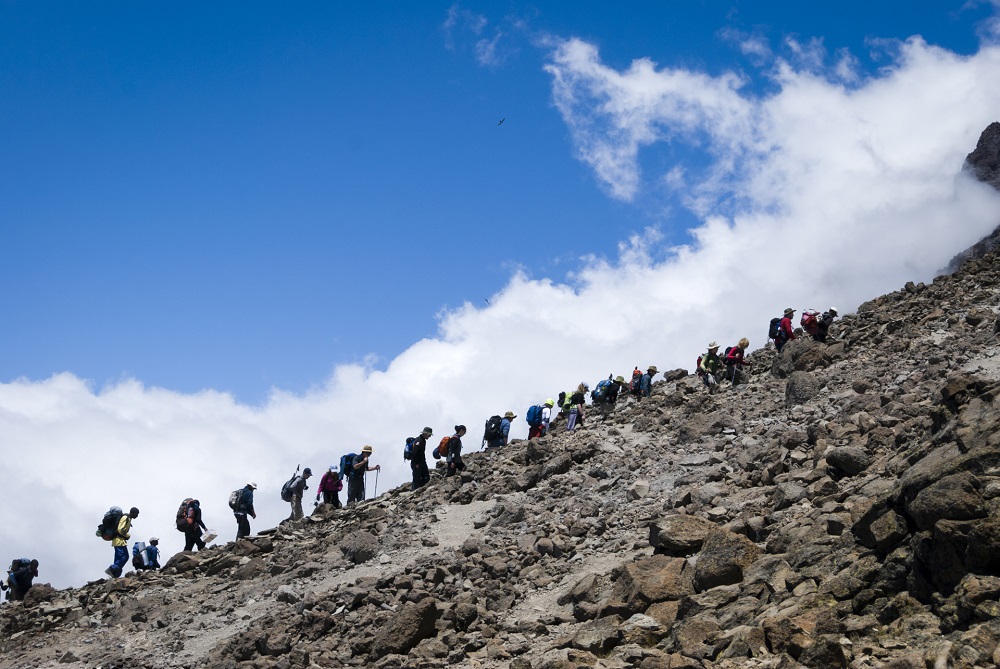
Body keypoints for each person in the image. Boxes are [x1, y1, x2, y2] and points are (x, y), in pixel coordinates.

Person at [106, 507, 139, 578]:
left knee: (118, 558)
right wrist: (127, 535)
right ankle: (112, 569)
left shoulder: (128, 519)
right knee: (125, 556)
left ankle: (115, 575)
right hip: (119, 540)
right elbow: (120, 529)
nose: (137, 516)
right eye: (137, 514)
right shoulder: (125, 518)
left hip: (117, 540)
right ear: (133, 513)